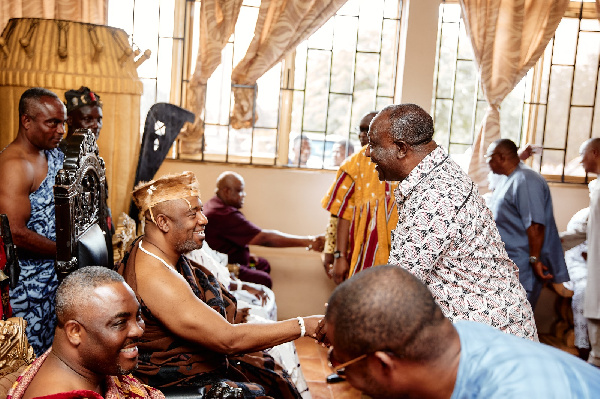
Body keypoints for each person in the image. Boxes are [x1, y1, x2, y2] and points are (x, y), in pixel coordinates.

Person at [118, 171, 324, 397]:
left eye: (201, 210)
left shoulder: (157, 251)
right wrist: (304, 325)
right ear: (163, 222)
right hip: (180, 380)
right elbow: (228, 340)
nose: (203, 219)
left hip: (204, 355)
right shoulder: (156, 277)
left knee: (268, 361)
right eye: (192, 213)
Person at [367, 103, 537, 340]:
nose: (367, 152)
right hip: (479, 332)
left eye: (373, 144)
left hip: (492, 339)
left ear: (401, 148)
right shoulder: (434, 177)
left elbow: (399, 283)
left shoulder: (435, 193)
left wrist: (345, 321)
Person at [324, 265, 600, 399]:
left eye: (341, 364)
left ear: (383, 364)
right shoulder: (463, 335)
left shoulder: (517, 392)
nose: (335, 365)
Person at [7, 266, 164, 399]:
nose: (138, 330)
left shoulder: (94, 364)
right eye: (120, 323)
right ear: (75, 332)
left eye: (138, 316)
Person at [0, 87, 67, 355]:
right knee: (29, 365)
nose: (61, 130)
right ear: (26, 121)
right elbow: (14, 233)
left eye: (63, 122)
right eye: (52, 122)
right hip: (27, 287)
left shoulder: (50, 152)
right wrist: (65, 252)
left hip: (55, 278)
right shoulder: (14, 165)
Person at [203, 171, 324, 288]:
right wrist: (309, 241)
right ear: (227, 191)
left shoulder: (215, 204)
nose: (244, 195)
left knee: (263, 264)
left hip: (226, 258)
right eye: (240, 191)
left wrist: (245, 255)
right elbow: (264, 238)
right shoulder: (223, 214)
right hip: (222, 267)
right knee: (264, 279)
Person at [486, 138, 569, 306]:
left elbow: (535, 225)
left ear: (501, 157)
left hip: (523, 266)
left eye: (489, 156)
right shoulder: (508, 178)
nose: (486, 161)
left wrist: (534, 260)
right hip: (509, 264)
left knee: (517, 323)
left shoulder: (526, 180)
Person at [321, 112, 398, 284]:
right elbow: (340, 214)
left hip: (398, 254)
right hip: (361, 253)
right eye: (361, 130)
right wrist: (336, 254)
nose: (363, 134)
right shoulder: (353, 164)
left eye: (368, 129)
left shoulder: (401, 161)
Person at [579, 137, 600, 367]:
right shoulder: (596, 186)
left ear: (594, 153)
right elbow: (584, 229)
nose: (580, 161)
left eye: (582, 155)